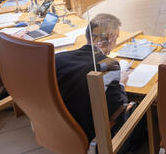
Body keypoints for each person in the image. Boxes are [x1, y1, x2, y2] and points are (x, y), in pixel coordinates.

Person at [55, 14, 144, 150]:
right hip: (91, 135)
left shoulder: (58, 58)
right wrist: (121, 82)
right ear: (111, 37)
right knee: (141, 110)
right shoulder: (109, 64)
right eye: (116, 37)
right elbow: (118, 107)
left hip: (60, 128)